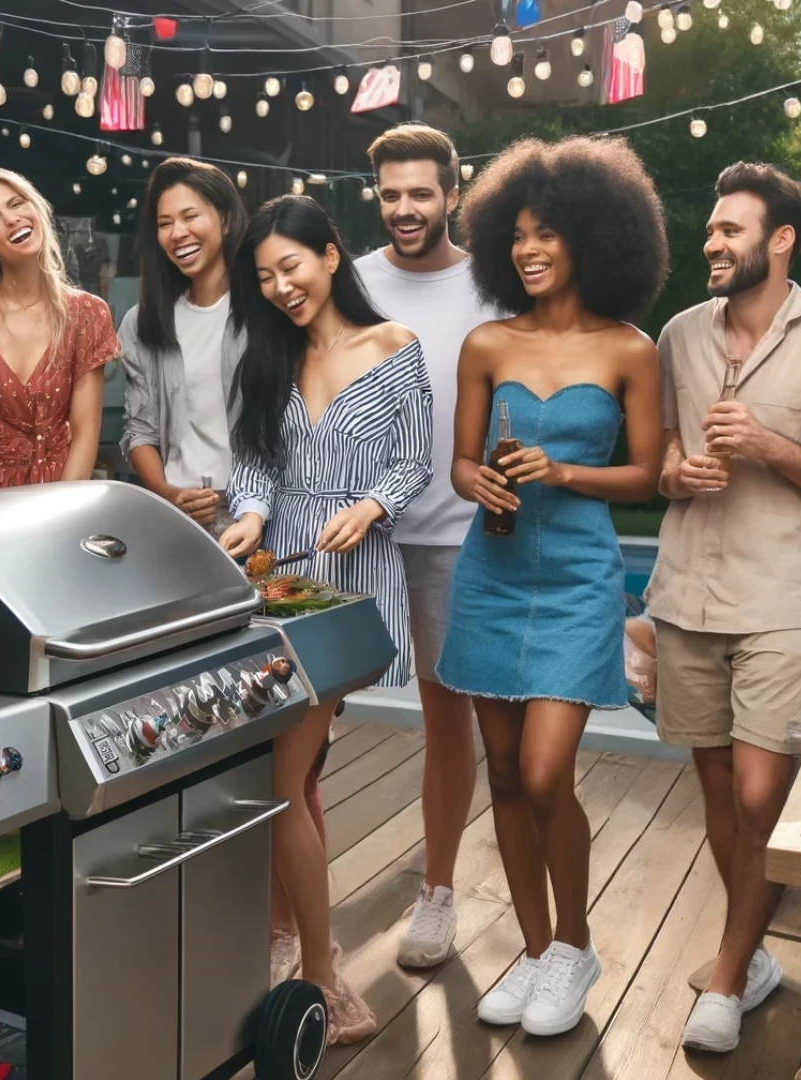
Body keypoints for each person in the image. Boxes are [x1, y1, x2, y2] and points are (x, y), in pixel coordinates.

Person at [647, 163, 801, 1053]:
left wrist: (771, 445)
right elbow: (660, 452)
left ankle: (723, 971)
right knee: (716, 790)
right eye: (711, 230)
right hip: (684, 594)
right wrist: (675, 469)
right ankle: (749, 959)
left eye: (731, 230)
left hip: (782, 600)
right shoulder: (677, 335)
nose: (711, 242)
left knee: (760, 794)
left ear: (780, 240)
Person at [434, 136, 666, 1038]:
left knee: (542, 773)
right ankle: (533, 955)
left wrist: (564, 475)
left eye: (548, 235)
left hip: (576, 576)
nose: (529, 250)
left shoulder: (630, 351)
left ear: (592, 241)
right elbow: (458, 460)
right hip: (489, 573)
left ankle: (575, 945)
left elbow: (646, 475)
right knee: (499, 770)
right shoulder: (487, 342)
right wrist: (476, 480)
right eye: (518, 236)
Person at [218, 194, 432, 1045]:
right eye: (264, 276)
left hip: (351, 590)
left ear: (332, 256)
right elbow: (256, 469)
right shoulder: (266, 356)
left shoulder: (395, 349)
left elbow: (415, 461)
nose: (278, 287)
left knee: (280, 781)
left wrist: (374, 503)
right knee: (294, 780)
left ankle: (317, 968)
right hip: (277, 585)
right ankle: (288, 940)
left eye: (290, 266)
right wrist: (251, 515)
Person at [353, 122, 506, 970]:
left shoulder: (491, 284)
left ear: (453, 191)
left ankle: (437, 892)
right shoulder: (351, 282)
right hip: (353, 532)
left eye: (420, 193)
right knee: (309, 717)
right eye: (389, 194)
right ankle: (281, 910)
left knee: (450, 718)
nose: (404, 209)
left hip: (453, 534)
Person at [0, 168, 119, 489]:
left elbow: (84, 434)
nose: (12, 218)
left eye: (17, 203)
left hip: (61, 496)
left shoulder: (87, 314)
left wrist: (62, 514)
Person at [119, 158, 248, 529]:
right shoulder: (142, 321)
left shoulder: (263, 310)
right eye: (164, 224)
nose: (178, 233)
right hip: (182, 518)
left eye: (191, 216)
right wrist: (170, 495)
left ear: (224, 220)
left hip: (264, 515)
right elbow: (139, 429)